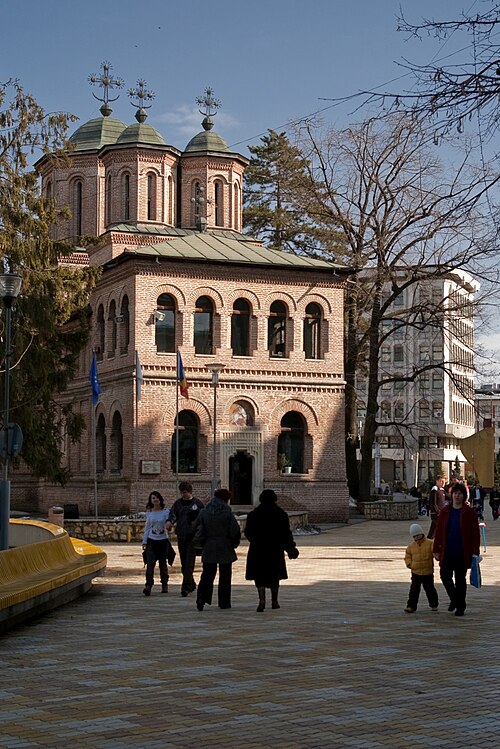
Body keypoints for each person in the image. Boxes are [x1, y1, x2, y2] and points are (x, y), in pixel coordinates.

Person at [244, 489, 299, 612]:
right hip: (275, 548)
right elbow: (286, 533)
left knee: (259, 575)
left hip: (258, 548)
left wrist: (255, 540)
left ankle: (262, 600)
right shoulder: (280, 514)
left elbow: (248, 532)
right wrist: (290, 548)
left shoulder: (253, 514)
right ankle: (274, 601)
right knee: (274, 575)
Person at [433, 482, 480, 617]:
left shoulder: (469, 513)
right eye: (455, 493)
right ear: (451, 495)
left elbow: (475, 535)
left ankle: (461, 606)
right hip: (447, 551)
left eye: (460, 493)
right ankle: (454, 598)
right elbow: (439, 531)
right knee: (445, 576)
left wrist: (474, 553)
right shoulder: (445, 511)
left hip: (462, 552)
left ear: (464, 496)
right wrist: (436, 549)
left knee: (460, 579)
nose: (457, 496)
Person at [193, 488, 241, 611]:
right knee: (225, 575)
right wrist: (234, 543)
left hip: (209, 545)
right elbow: (234, 530)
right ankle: (224, 602)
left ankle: (201, 598)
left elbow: (197, 527)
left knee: (207, 574)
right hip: (224, 545)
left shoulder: (204, 512)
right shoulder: (227, 513)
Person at [169, 481, 204, 597]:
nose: (184, 495)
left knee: (189, 562)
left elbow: (202, 519)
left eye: (185, 492)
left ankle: (185, 587)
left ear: (190, 492)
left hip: (192, 537)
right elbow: (173, 515)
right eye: (182, 492)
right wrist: (169, 522)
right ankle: (192, 583)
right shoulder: (178, 504)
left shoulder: (197, 504)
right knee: (184, 562)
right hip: (181, 535)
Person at [141, 491, 172, 596]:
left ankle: (164, 584)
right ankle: (148, 586)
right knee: (150, 564)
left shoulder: (166, 512)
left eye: (157, 497)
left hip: (163, 541)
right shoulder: (149, 514)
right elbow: (147, 528)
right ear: (151, 500)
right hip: (151, 541)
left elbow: (170, 523)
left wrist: (169, 526)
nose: (155, 499)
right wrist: (144, 541)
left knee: (163, 564)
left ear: (160, 499)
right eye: (153, 498)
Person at [403, 523, 439, 613]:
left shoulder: (430, 543)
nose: (416, 538)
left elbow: (435, 552)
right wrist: (409, 564)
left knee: (430, 589)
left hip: (428, 572)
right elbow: (407, 556)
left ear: (422, 533)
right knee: (414, 590)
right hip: (415, 572)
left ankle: (434, 604)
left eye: (418, 535)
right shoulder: (411, 546)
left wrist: (437, 556)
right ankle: (411, 606)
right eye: (414, 536)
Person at [427, 475, 447, 539]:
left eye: (444, 482)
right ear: (437, 481)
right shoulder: (435, 490)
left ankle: (428, 540)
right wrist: (438, 512)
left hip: (440, 513)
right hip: (436, 514)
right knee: (442, 527)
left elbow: (450, 497)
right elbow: (433, 503)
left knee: (433, 529)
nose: (443, 483)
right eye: (441, 481)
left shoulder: (442, 490)